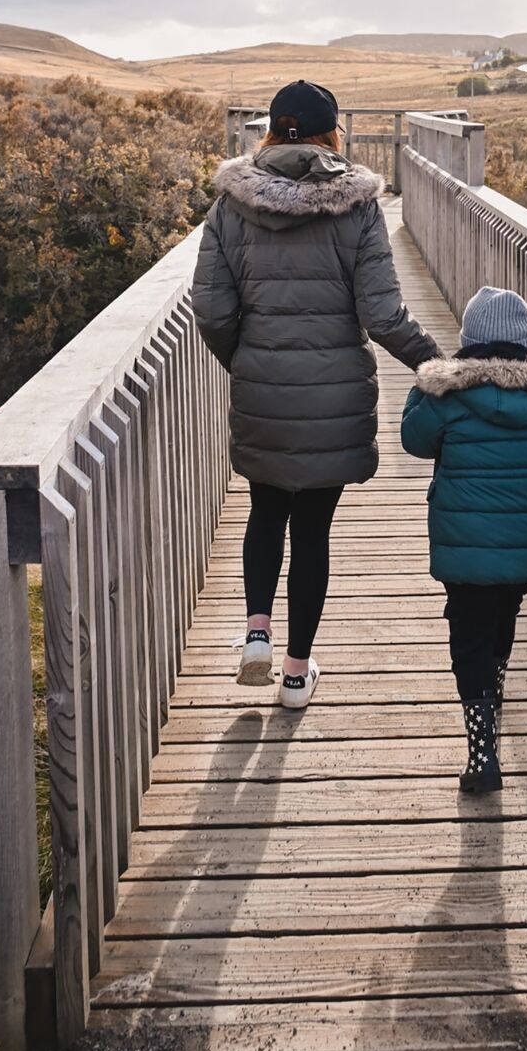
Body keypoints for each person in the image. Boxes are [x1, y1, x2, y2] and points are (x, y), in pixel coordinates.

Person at [192, 80, 440, 708]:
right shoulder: (357, 209)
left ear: (270, 131)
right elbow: (383, 317)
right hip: (333, 404)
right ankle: (297, 675)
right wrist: (436, 364)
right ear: (335, 135)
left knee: (264, 509)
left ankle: (255, 634)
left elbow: (213, 312)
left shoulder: (229, 207)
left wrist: (247, 362)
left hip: (263, 395)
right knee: (313, 532)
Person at [400, 286, 527, 791]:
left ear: (468, 340)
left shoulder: (449, 395)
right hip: (524, 542)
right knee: (501, 620)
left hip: (466, 541)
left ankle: (482, 753)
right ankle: (493, 701)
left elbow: (414, 441)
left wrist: (423, 386)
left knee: (468, 634)